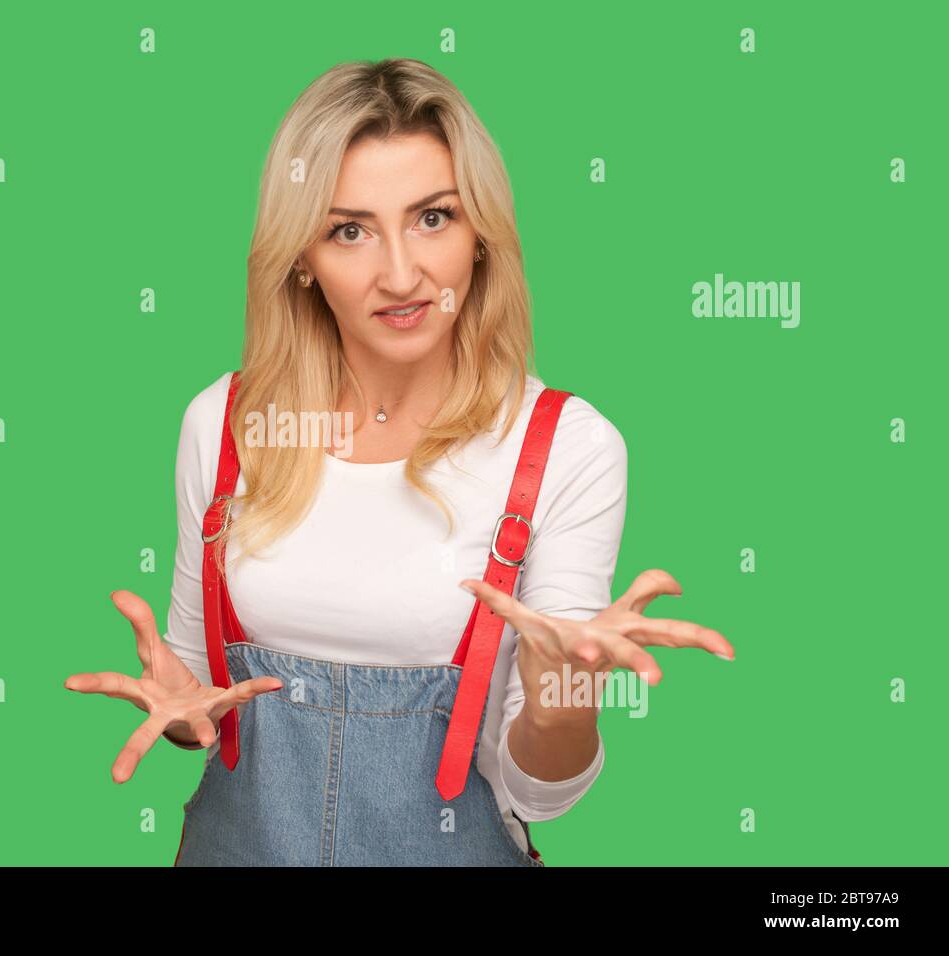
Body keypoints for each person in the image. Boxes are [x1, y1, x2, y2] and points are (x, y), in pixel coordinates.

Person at [64, 58, 734, 866]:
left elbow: (536, 796)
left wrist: (565, 698)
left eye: (433, 218)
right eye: (350, 229)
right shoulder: (228, 423)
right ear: (302, 257)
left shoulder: (566, 446)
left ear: (481, 233)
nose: (401, 274)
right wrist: (178, 714)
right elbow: (194, 693)